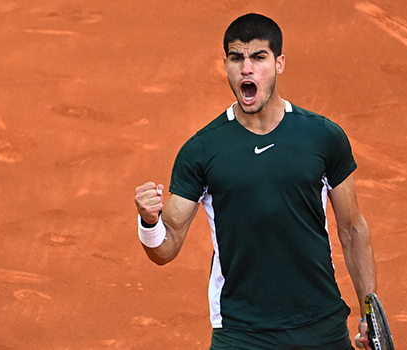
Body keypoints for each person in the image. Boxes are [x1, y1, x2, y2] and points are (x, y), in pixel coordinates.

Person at [134, 13, 377, 350]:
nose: (246, 68)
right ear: (226, 65)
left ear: (279, 63)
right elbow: (167, 245)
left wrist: (370, 311)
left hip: (321, 324)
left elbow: (352, 229)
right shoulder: (202, 151)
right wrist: (149, 223)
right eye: (237, 58)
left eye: (258, 57)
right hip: (241, 332)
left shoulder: (323, 137)